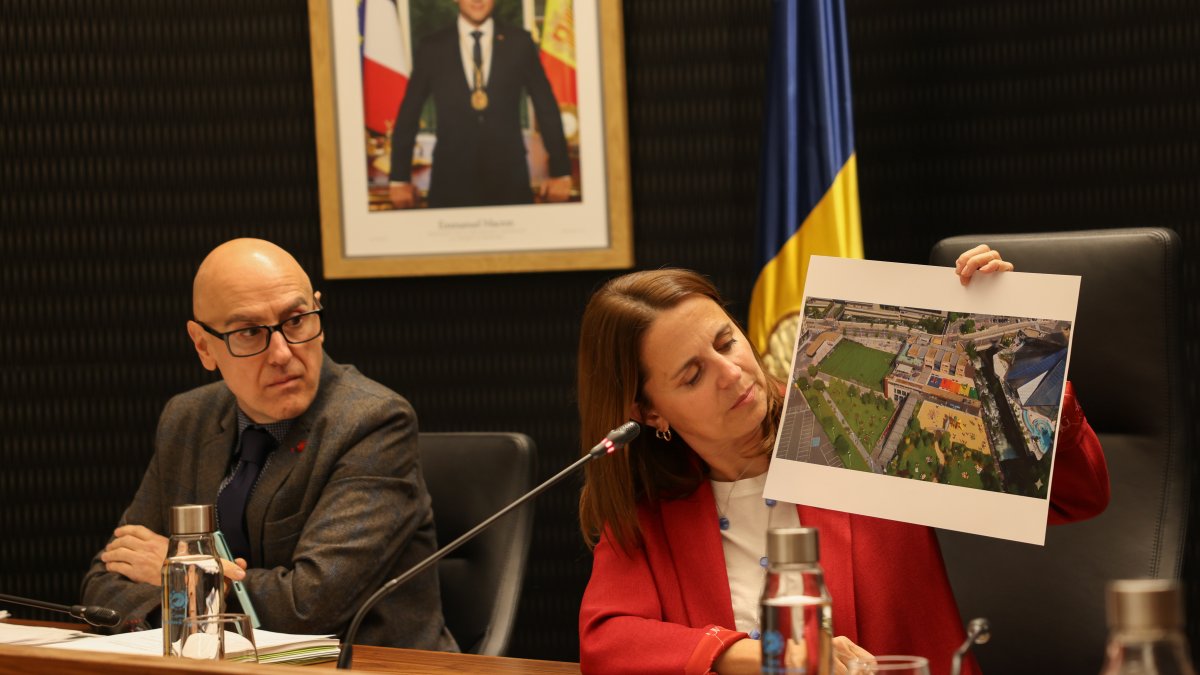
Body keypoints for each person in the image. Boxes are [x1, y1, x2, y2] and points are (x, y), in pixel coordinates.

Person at [575, 246, 1110, 675]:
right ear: (648, 412)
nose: (731, 372)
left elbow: (1077, 496)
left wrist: (1020, 353)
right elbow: (608, 642)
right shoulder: (649, 505)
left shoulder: (856, 423)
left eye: (726, 342)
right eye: (691, 376)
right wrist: (756, 656)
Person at [80, 238, 457, 651]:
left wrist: (184, 576)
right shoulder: (187, 420)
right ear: (203, 345)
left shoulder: (373, 422)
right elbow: (105, 583)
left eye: (296, 321)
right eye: (250, 332)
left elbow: (310, 605)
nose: (281, 352)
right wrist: (194, 606)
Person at [388, 0, 573, 209]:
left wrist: (561, 171)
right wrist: (399, 178)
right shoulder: (432, 46)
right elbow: (409, 115)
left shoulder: (520, 42)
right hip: (450, 183)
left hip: (510, 182)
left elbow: (546, 107)